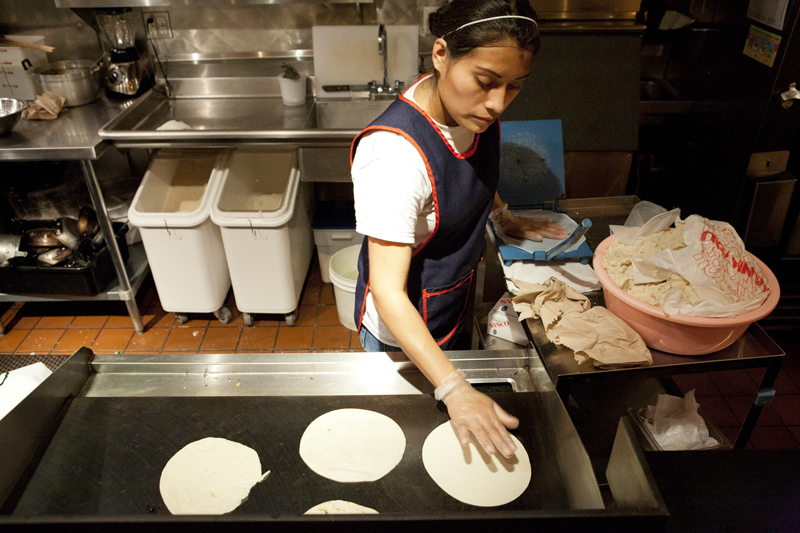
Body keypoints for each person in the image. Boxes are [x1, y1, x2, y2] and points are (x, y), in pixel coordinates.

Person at [350, 0, 569, 458]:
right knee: (405, 445)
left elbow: (471, 171)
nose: (497, 103)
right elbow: (388, 293)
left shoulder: (472, 111)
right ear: (441, 53)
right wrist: (453, 387)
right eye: (486, 82)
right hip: (403, 330)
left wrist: (504, 217)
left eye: (514, 87)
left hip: (453, 299)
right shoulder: (394, 156)